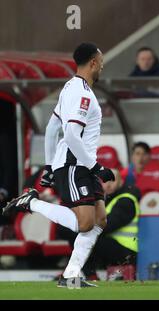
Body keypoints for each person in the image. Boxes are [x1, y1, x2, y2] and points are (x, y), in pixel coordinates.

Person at [2, 42, 114, 288]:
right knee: (85, 223)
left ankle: (71, 274)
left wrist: (51, 166)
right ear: (93, 62)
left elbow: (53, 128)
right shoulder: (83, 94)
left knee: (100, 220)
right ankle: (31, 202)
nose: (103, 66)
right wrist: (96, 168)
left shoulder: (69, 88)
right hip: (77, 165)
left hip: (75, 163)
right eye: (101, 61)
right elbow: (72, 135)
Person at [58, 169, 140, 279]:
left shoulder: (126, 200)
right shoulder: (105, 200)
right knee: (78, 235)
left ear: (121, 182)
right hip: (113, 245)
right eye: (105, 182)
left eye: (113, 181)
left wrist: (83, 226)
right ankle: (88, 274)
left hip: (127, 251)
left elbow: (109, 224)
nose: (108, 185)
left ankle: (90, 275)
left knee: (81, 236)